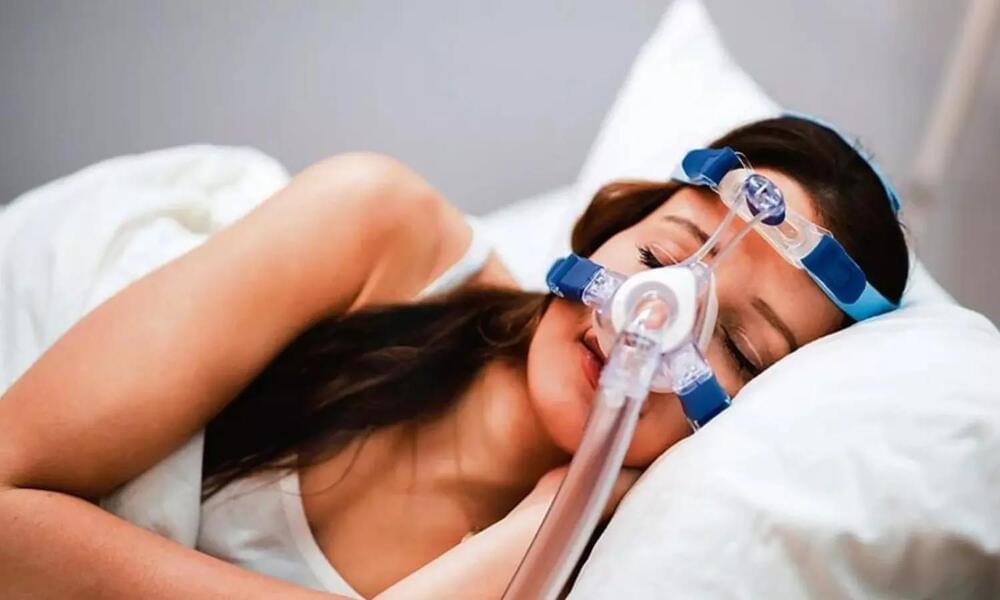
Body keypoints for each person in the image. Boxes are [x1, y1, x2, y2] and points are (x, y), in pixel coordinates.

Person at [0, 116, 909, 599]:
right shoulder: (377, 230)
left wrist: (544, 525)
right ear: (613, 224)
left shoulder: (614, 560)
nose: (654, 318)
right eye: (658, 256)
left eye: (739, 345)